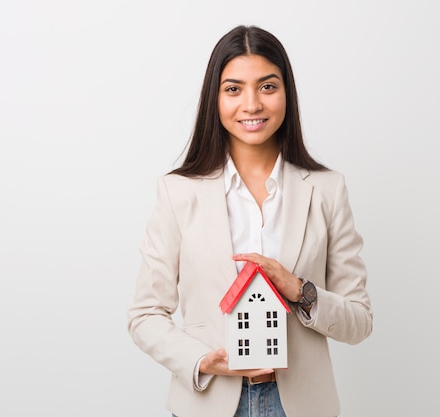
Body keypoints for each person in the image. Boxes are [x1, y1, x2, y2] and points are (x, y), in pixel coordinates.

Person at [127, 25, 373, 417]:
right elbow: (145, 315)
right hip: (207, 402)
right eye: (234, 89)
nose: (252, 104)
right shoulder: (178, 192)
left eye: (267, 86)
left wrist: (300, 290)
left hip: (300, 405)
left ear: (286, 94)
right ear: (215, 99)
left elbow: (359, 321)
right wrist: (202, 360)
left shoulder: (327, 190)